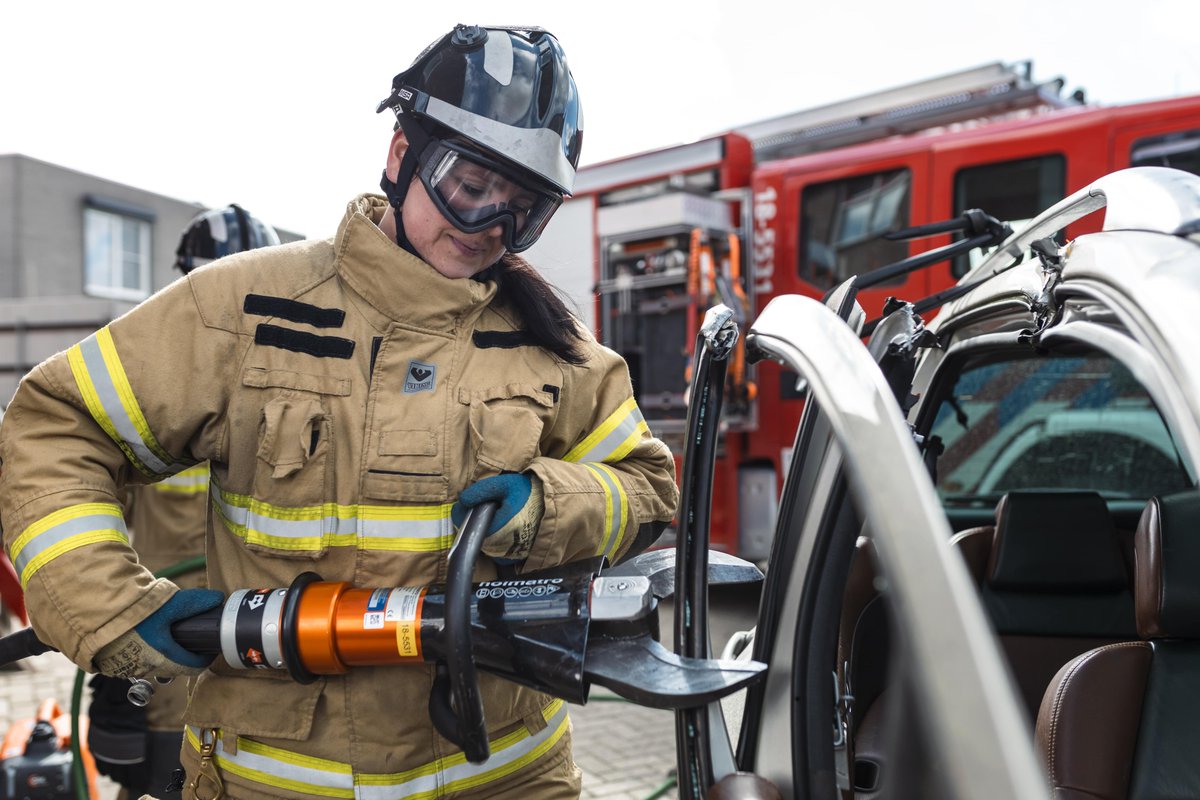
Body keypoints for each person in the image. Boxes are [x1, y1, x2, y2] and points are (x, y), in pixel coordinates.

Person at [0, 24, 678, 800]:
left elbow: (648, 488)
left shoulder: (554, 348)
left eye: (521, 210)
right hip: (279, 779)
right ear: (402, 155)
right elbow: (58, 425)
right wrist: (111, 607)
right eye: (470, 187)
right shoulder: (248, 309)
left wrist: (548, 505)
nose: (488, 226)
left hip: (507, 775)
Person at [85, 205, 282, 800]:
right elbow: (86, 541)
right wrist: (112, 679)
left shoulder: (304, 401)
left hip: (270, 681)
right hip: (162, 680)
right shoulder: (137, 394)